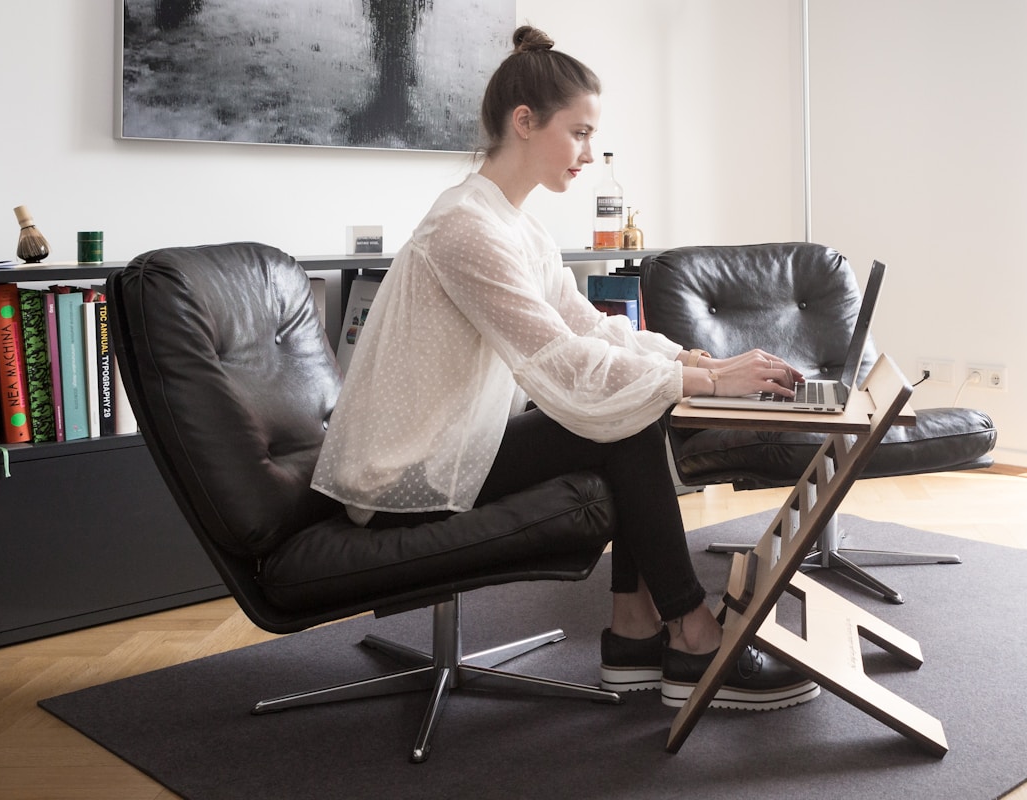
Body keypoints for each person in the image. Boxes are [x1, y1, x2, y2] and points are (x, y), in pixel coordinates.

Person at [311, 23, 818, 712]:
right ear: (525, 122)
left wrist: (695, 360)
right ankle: (692, 639)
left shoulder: (515, 224)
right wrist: (699, 382)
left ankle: (638, 636)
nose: (588, 154)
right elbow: (558, 357)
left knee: (634, 409)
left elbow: (588, 326)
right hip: (407, 471)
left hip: (457, 446)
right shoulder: (466, 226)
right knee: (630, 421)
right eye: (578, 134)